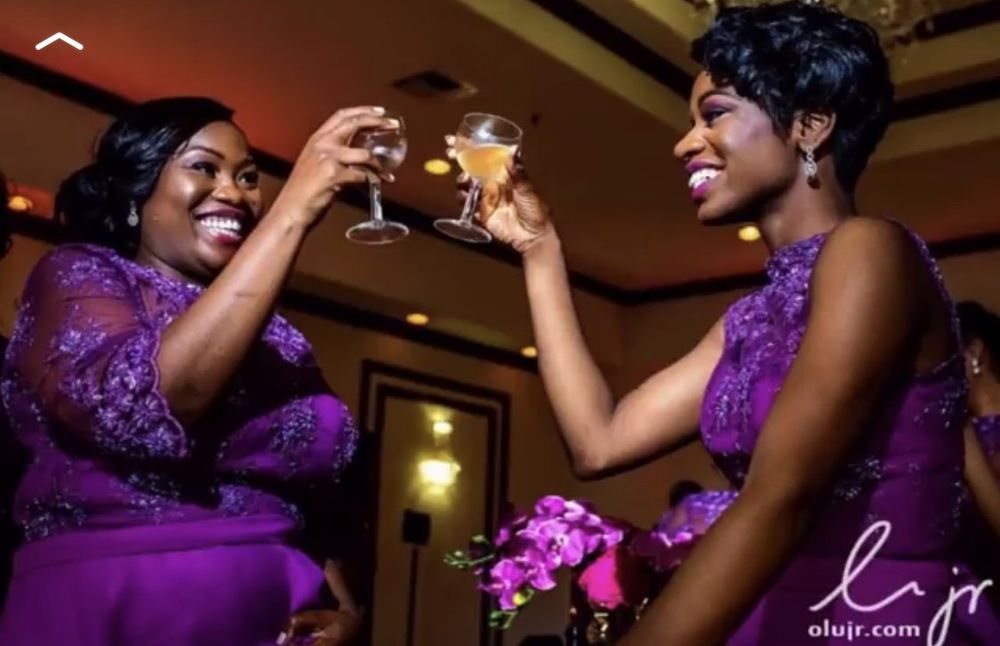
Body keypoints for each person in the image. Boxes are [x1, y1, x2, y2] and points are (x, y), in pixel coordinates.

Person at [455, 2, 1000, 643]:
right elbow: (597, 443)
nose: (685, 143)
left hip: (876, 618)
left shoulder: (873, 250)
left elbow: (780, 498)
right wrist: (539, 248)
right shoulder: (749, 318)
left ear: (810, 126)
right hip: (770, 614)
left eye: (714, 114)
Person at [0, 97, 397, 645]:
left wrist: (347, 609)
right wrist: (292, 212)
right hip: (119, 610)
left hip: (279, 617)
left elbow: (324, 489)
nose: (234, 192)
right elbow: (140, 410)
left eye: (249, 177)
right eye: (204, 168)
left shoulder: (275, 334)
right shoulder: (79, 274)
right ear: (139, 190)